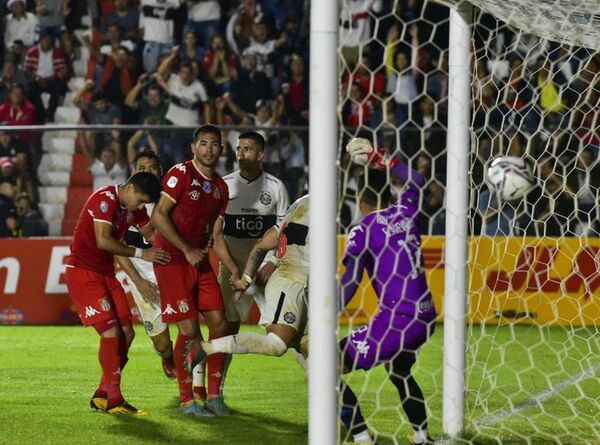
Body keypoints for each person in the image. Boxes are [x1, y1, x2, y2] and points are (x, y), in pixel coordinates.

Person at [339, 138, 437, 445]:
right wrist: (384, 159)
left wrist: (324, 311)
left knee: (323, 366)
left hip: (397, 320)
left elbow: (351, 282)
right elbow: (419, 180)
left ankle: (362, 437)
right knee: (399, 372)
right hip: (426, 316)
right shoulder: (406, 211)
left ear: (360, 198)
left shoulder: (363, 229)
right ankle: (422, 438)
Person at [150, 124, 242, 417]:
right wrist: (186, 249)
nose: (209, 149)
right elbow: (158, 215)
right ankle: (187, 400)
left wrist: (235, 271)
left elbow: (216, 237)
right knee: (189, 331)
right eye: (203, 143)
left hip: (199, 261)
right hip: (172, 260)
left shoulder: (220, 188)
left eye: (214, 144)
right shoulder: (180, 174)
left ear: (221, 149)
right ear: (194, 147)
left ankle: (214, 396)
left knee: (221, 324)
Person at [65, 171, 170, 415]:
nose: (141, 206)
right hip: (83, 273)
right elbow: (103, 241)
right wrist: (141, 254)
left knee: (127, 333)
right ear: (129, 188)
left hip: (105, 274)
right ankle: (115, 400)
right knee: (111, 332)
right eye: (141, 200)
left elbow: (152, 236)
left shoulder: (133, 208)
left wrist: (180, 250)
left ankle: (102, 394)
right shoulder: (104, 199)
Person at [186, 193, 310, 382]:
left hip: (306, 286)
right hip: (291, 281)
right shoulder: (319, 208)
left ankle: (338, 410)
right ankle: (206, 348)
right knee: (276, 345)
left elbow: (262, 244)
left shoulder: (298, 205)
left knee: (319, 360)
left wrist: (246, 277)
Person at [205, 131, 289, 402]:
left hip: (267, 272)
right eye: (238, 149)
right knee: (225, 329)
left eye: (248, 149)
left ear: (261, 155)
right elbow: (215, 234)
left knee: (285, 332)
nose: (241, 153)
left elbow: (285, 232)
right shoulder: (224, 186)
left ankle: (321, 390)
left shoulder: (276, 187)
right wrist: (232, 269)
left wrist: (273, 262)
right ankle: (214, 391)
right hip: (231, 270)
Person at [114, 149, 176, 381]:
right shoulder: (125, 204)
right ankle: (167, 356)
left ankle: (195, 386)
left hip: (171, 272)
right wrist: (139, 282)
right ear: (133, 173)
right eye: (141, 169)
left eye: (151, 169)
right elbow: (115, 246)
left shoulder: (171, 200)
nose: (147, 173)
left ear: (160, 172)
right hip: (144, 278)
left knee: (190, 328)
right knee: (161, 343)